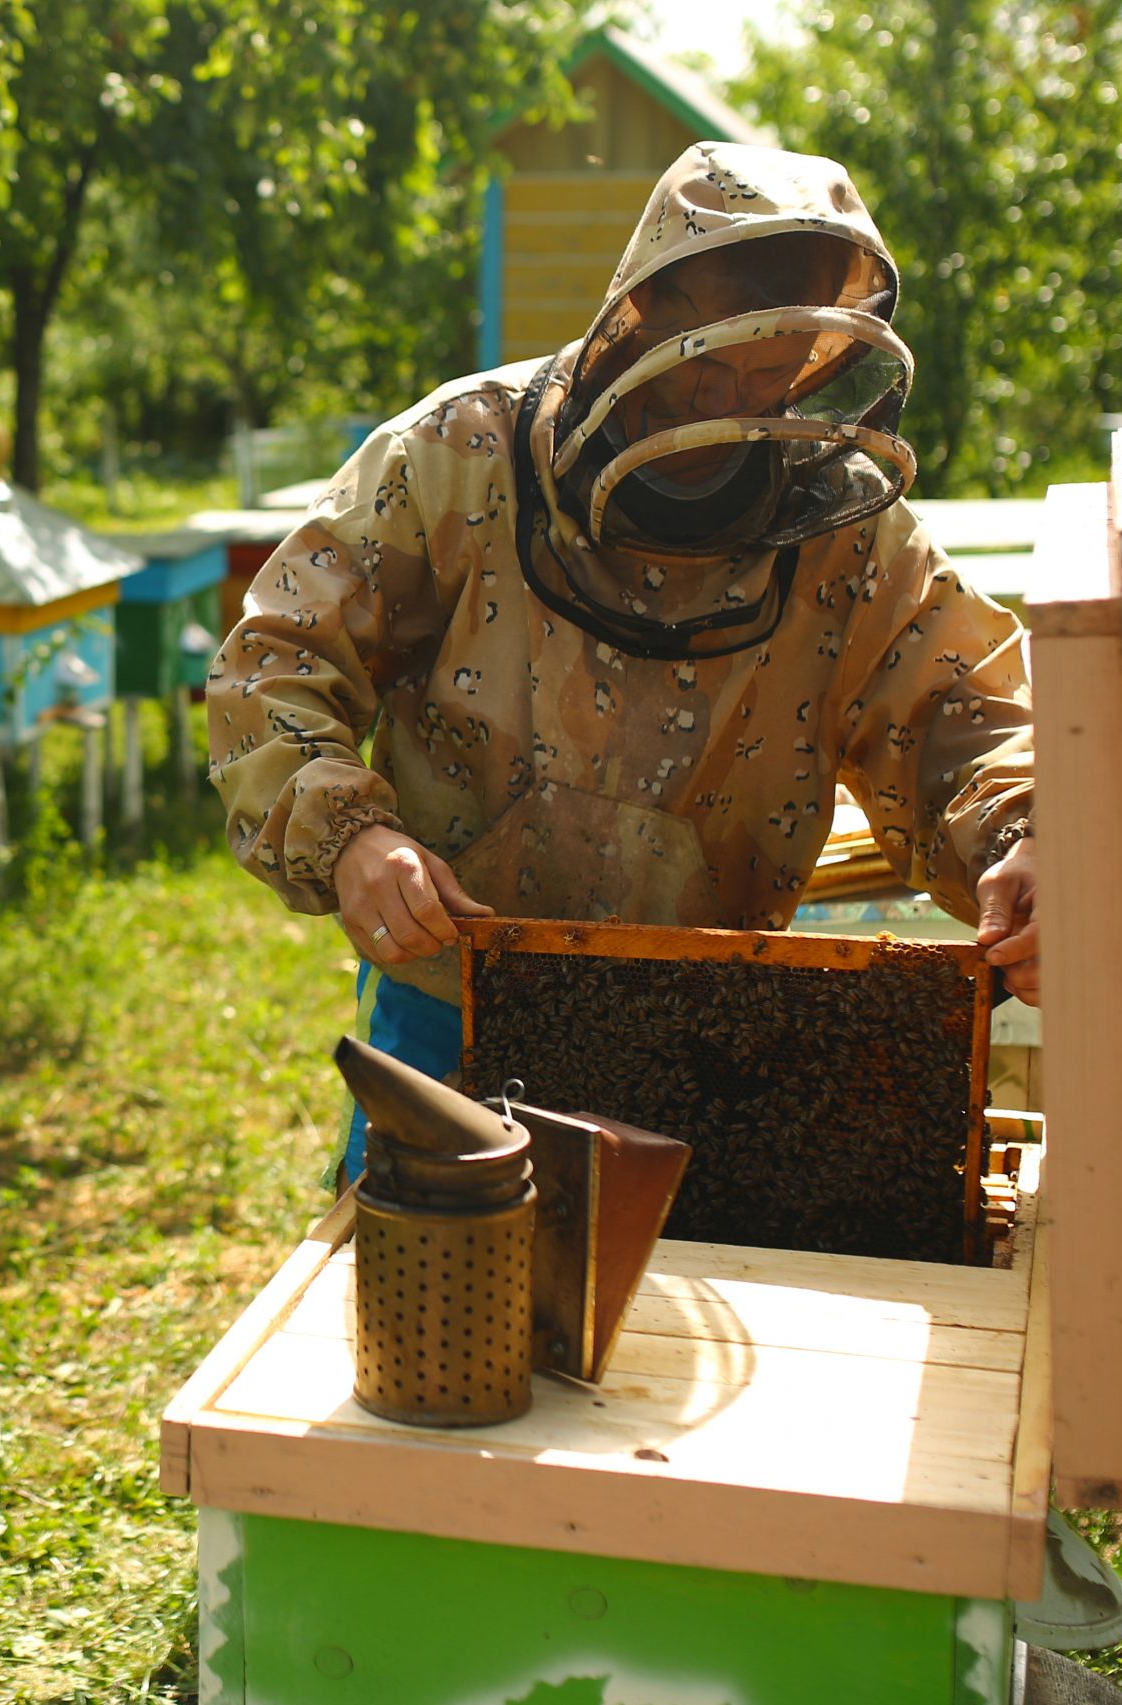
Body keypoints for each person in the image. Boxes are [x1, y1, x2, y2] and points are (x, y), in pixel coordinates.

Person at [208, 142, 1041, 1185]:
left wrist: (1022, 836)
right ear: (641, 309)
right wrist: (350, 836)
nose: (732, 395)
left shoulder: (845, 533)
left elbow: (965, 709)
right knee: (430, 1299)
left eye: (771, 365)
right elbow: (275, 662)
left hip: (716, 1012)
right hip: (453, 998)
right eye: (707, 356)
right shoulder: (457, 453)